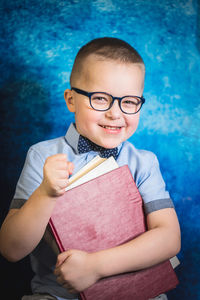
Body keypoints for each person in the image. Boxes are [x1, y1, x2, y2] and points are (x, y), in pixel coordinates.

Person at [0, 37, 181, 300]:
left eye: (129, 102)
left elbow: (169, 239)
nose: (115, 113)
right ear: (71, 100)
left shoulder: (144, 162)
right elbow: (11, 248)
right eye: (100, 98)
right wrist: (46, 193)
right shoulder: (42, 156)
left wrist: (95, 267)